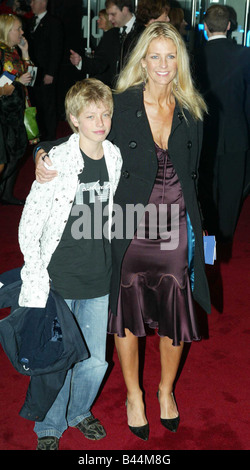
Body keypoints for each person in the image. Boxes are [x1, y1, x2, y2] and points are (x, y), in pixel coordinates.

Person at [34, 22, 211, 441]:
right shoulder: (121, 103)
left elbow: (196, 174)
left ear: (179, 62)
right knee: (126, 315)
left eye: (171, 56)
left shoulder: (193, 109)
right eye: (155, 56)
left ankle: (165, 391)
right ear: (142, 61)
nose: (163, 65)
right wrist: (43, 152)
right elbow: (80, 131)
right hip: (130, 224)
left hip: (174, 226)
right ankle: (134, 394)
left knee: (174, 314)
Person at [18, 78, 122, 450]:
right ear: (74, 119)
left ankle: (79, 412)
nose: (100, 121)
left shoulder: (113, 155)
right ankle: (49, 424)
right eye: (91, 115)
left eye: (106, 114)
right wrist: (34, 271)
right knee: (56, 359)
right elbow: (31, 219)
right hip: (59, 278)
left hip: (98, 276)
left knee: (95, 361)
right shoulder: (58, 160)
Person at [194, 5, 249, 242]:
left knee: (205, 195)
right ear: (229, 26)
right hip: (237, 136)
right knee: (231, 194)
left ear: (205, 27)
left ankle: (209, 248)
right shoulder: (246, 55)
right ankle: (224, 242)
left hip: (203, 136)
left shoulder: (193, 56)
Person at [0, 13, 32, 205]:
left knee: (18, 152)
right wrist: (17, 81)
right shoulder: (1, 52)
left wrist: (26, 53)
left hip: (18, 110)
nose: (21, 32)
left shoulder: (13, 51)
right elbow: (2, 86)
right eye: (18, 29)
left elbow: (31, 78)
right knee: (9, 155)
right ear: (6, 31)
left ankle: (6, 193)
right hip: (4, 113)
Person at [26, 0, 63, 140]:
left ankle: (50, 137)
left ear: (42, 2)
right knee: (36, 104)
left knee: (48, 105)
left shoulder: (53, 22)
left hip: (46, 72)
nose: (31, 4)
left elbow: (56, 49)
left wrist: (51, 73)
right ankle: (39, 134)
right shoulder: (30, 22)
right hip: (32, 72)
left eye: (33, 1)